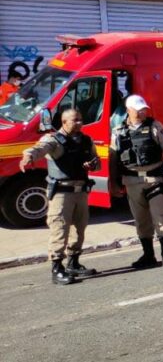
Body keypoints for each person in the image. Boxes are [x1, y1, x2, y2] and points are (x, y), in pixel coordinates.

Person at [20, 108, 100, 285]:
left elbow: (97, 162)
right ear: (64, 122)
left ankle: (73, 263)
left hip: (81, 192)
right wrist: (28, 156)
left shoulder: (86, 140)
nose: (79, 123)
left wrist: (92, 164)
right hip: (62, 194)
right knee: (59, 230)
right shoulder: (54, 140)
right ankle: (57, 269)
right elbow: (39, 149)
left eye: (80, 119)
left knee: (79, 230)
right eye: (74, 120)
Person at [110, 95, 163, 269]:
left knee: (160, 216)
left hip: (154, 178)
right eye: (138, 109)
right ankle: (148, 255)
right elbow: (113, 157)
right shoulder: (118, 131)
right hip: (131, 180)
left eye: (143, 109)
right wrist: (113, 182)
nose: (142, 112)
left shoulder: (155, 126)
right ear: (128, 110)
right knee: (141, 220)